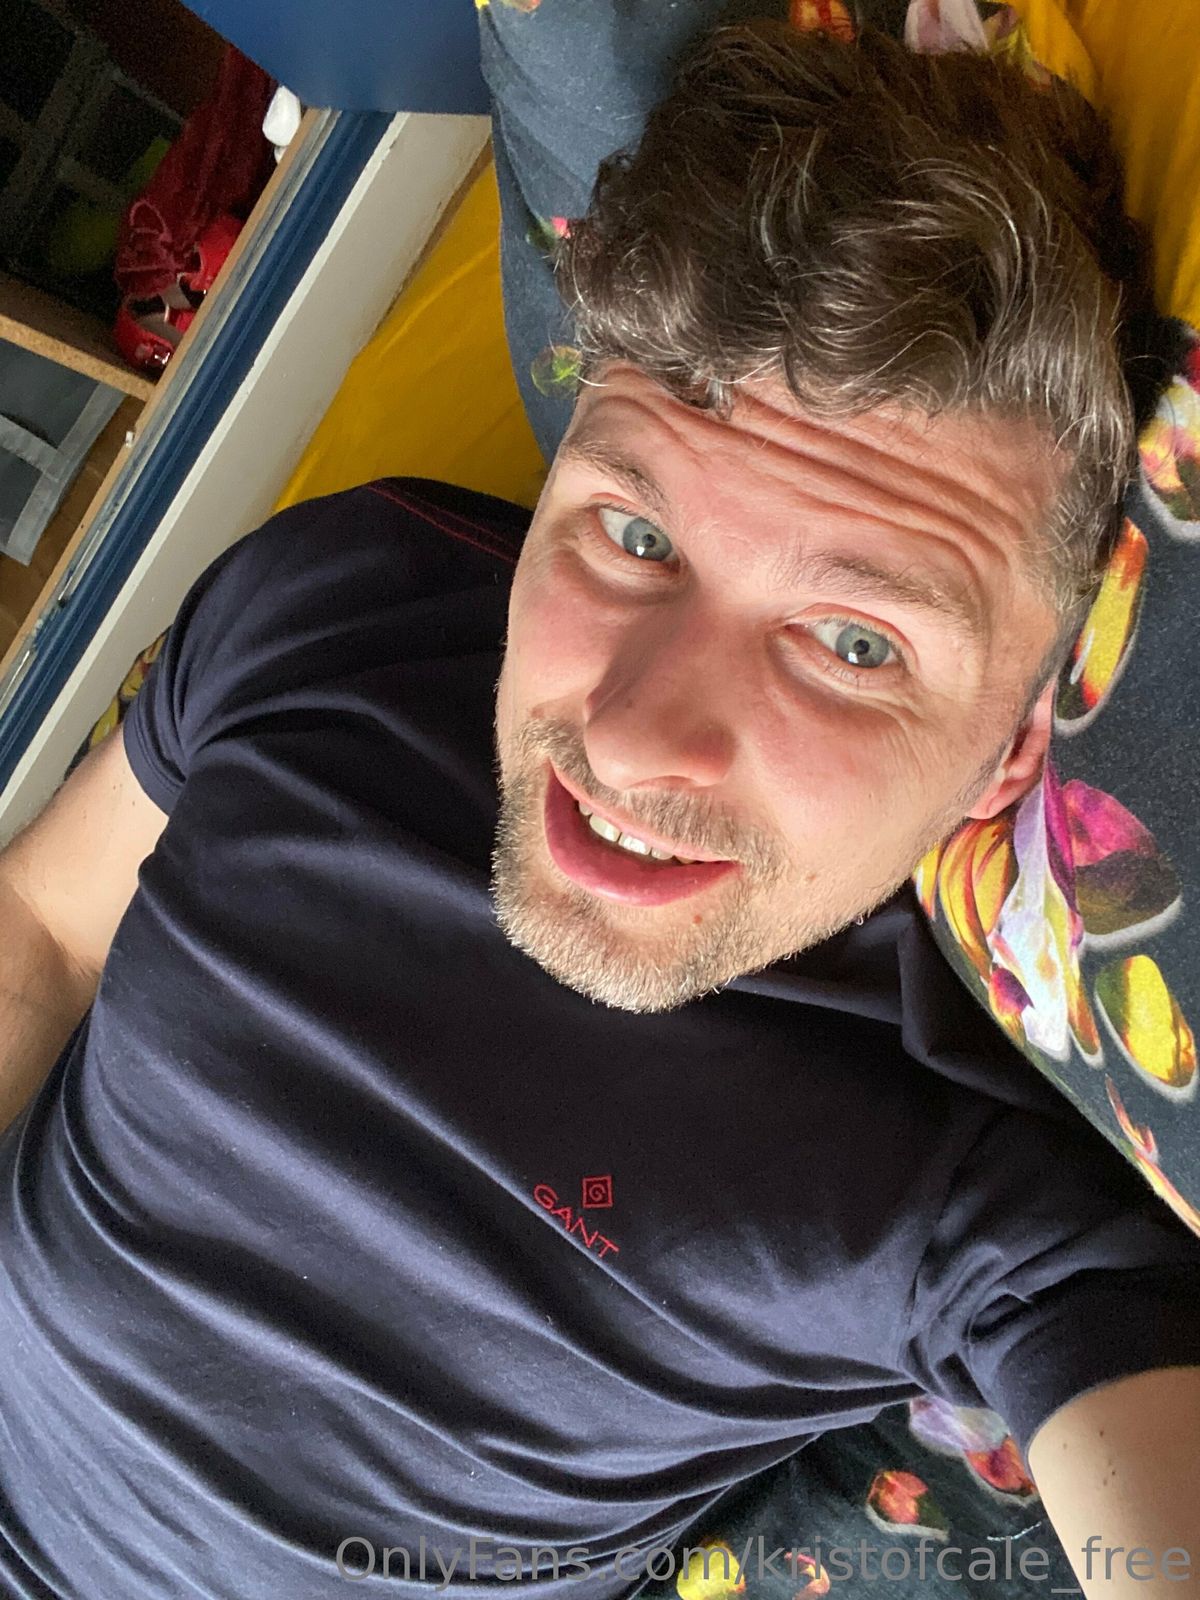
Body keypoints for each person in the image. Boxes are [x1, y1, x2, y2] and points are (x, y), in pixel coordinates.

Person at [0, 19, 1197, 1600]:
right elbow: (43, 929)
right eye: (634, 534)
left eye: (854, 644)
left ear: (1017, 745)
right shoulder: (344, 598)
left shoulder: (993, 1179)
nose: (629, 739)